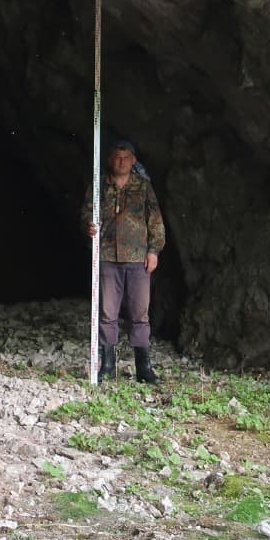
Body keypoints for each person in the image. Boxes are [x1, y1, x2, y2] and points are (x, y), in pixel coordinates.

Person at [84, 140, 166, 383]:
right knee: (107, 313)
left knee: (140, 313)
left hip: (138, 259)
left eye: (126, 157)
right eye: (117, 157)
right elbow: (86, 212)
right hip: (107, 257)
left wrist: (154, 251)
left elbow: (156, 221)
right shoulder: (99, 185)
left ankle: (143, 367)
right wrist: (88, 225)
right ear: (111, 160)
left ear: (133, 160)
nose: (121, 161)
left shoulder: (143, 187)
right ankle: (108, 365)